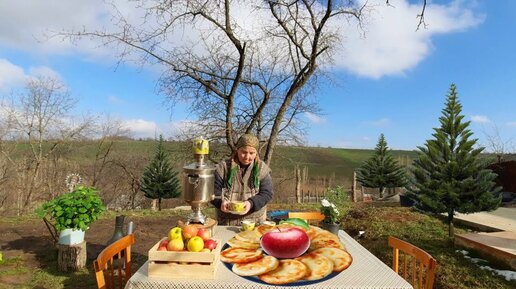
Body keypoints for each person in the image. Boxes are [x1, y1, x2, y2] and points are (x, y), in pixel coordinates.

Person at [212, 134, 273, 225]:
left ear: (256, 153)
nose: (247, 157)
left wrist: (251, 203)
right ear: (237, 151)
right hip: (226, 222)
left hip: (254, 222)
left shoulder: (262, 169)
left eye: (252, 153)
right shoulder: (223, 168)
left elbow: (267, 193)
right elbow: (212, 192)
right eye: (243, 152)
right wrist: (220, 202)